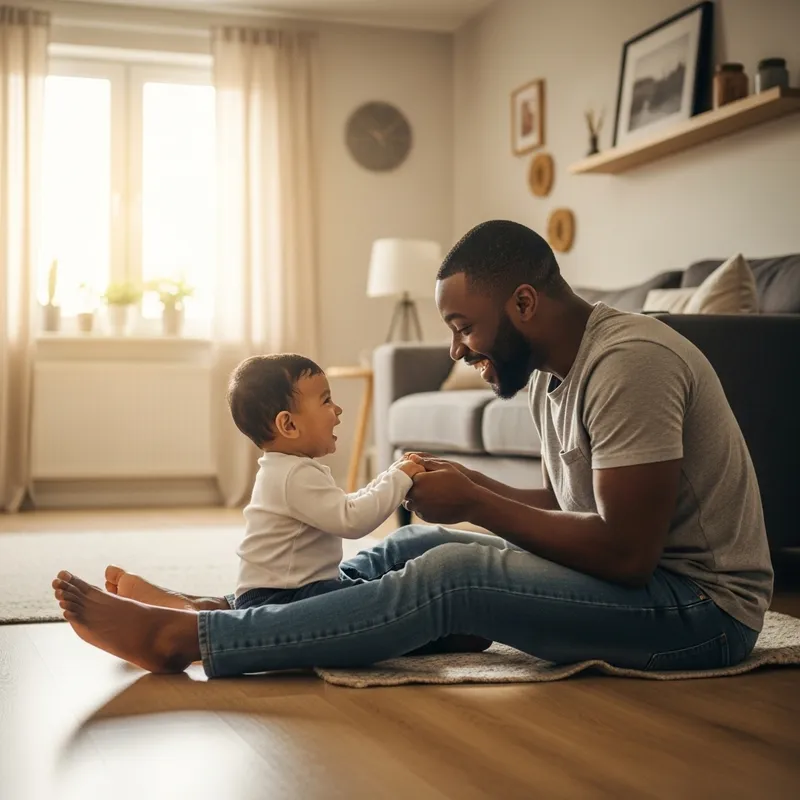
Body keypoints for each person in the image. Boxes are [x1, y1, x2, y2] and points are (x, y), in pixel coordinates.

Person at [52, 220, 773, 677]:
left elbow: (626, 553)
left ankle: (196, 642)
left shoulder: (629, 364)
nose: (457, 349)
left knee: (453, 575)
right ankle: (228, 608)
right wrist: (468, 492)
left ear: (523, 303)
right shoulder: (560, 374)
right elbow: (571, 505)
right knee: (410, 550)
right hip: (643, 588)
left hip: (700, 614)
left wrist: (481, 506)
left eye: (464, 326)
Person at [223, 353, 423, 609]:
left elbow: (344, 505)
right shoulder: (294, 475)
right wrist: (400, 478)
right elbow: (353, 520)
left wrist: (389, 476)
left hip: (291, 590)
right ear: (289, 424)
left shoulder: (286, 468)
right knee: (378, 599)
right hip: (281, 599)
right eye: (326, 400)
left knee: (362, 585)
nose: (337, 409)